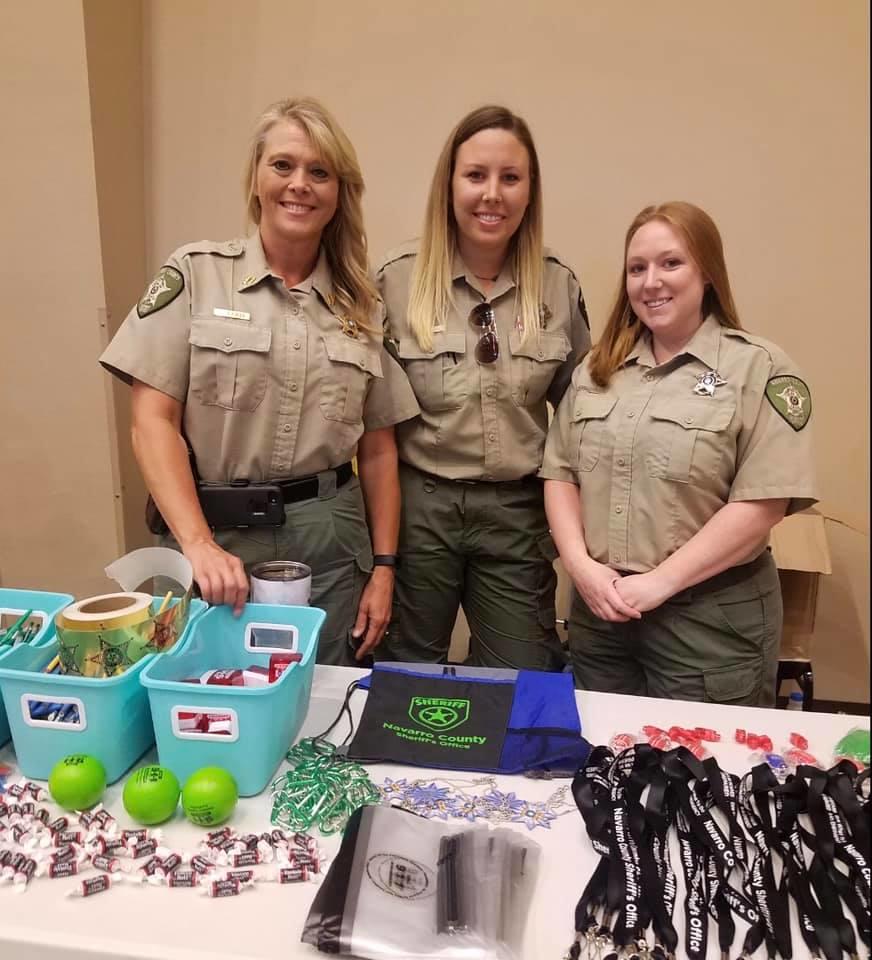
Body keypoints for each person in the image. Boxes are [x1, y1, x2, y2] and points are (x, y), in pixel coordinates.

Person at [100, 97, 419, 666]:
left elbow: (378, 451)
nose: (300, 184)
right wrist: (198, 544)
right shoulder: (197, 275)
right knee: (202, 695)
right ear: (256, 177)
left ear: (339, 192)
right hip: (215, 537)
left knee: (323, 704)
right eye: (283, 165)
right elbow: (152, 422)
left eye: (319, 172)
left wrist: (385, 571)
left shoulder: (361, 308)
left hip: (329, 547)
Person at [542, 201, 817, 705]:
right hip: (601, 617)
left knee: (705, 769)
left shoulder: (760, 369)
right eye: (637, 268)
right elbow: (559, 474)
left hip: (708, 623)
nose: (651, 282)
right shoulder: (597, 369)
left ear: (707, 272)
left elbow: (762, 504)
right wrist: (580, 567)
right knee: (602, 764)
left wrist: (659, 584)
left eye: (671, 263)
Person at [377, 105, 591, 669]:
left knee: (522, 679)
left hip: (517, 511)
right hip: (420, 506)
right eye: (476, 175)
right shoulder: (396, 282)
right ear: (449, 184)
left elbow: (582, 414)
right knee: (405, 672)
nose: (491, 194)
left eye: (510, 177)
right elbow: (366, 420)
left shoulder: (556, 283)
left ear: (529, 191)